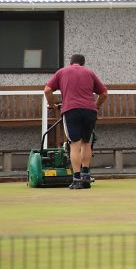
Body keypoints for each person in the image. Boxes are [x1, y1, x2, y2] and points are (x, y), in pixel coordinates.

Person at [44, 54, 107, 189]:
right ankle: (86, 175)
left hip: (71, 110)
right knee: (86, 142)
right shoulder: (89, 72)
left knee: (74, 144)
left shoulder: (62, 72)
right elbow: (104, 93)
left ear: (70, 62)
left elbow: (47, 90)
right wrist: (96, 106)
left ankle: (77, 178)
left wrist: (52, 104)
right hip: (89, 111)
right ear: (83, 63)